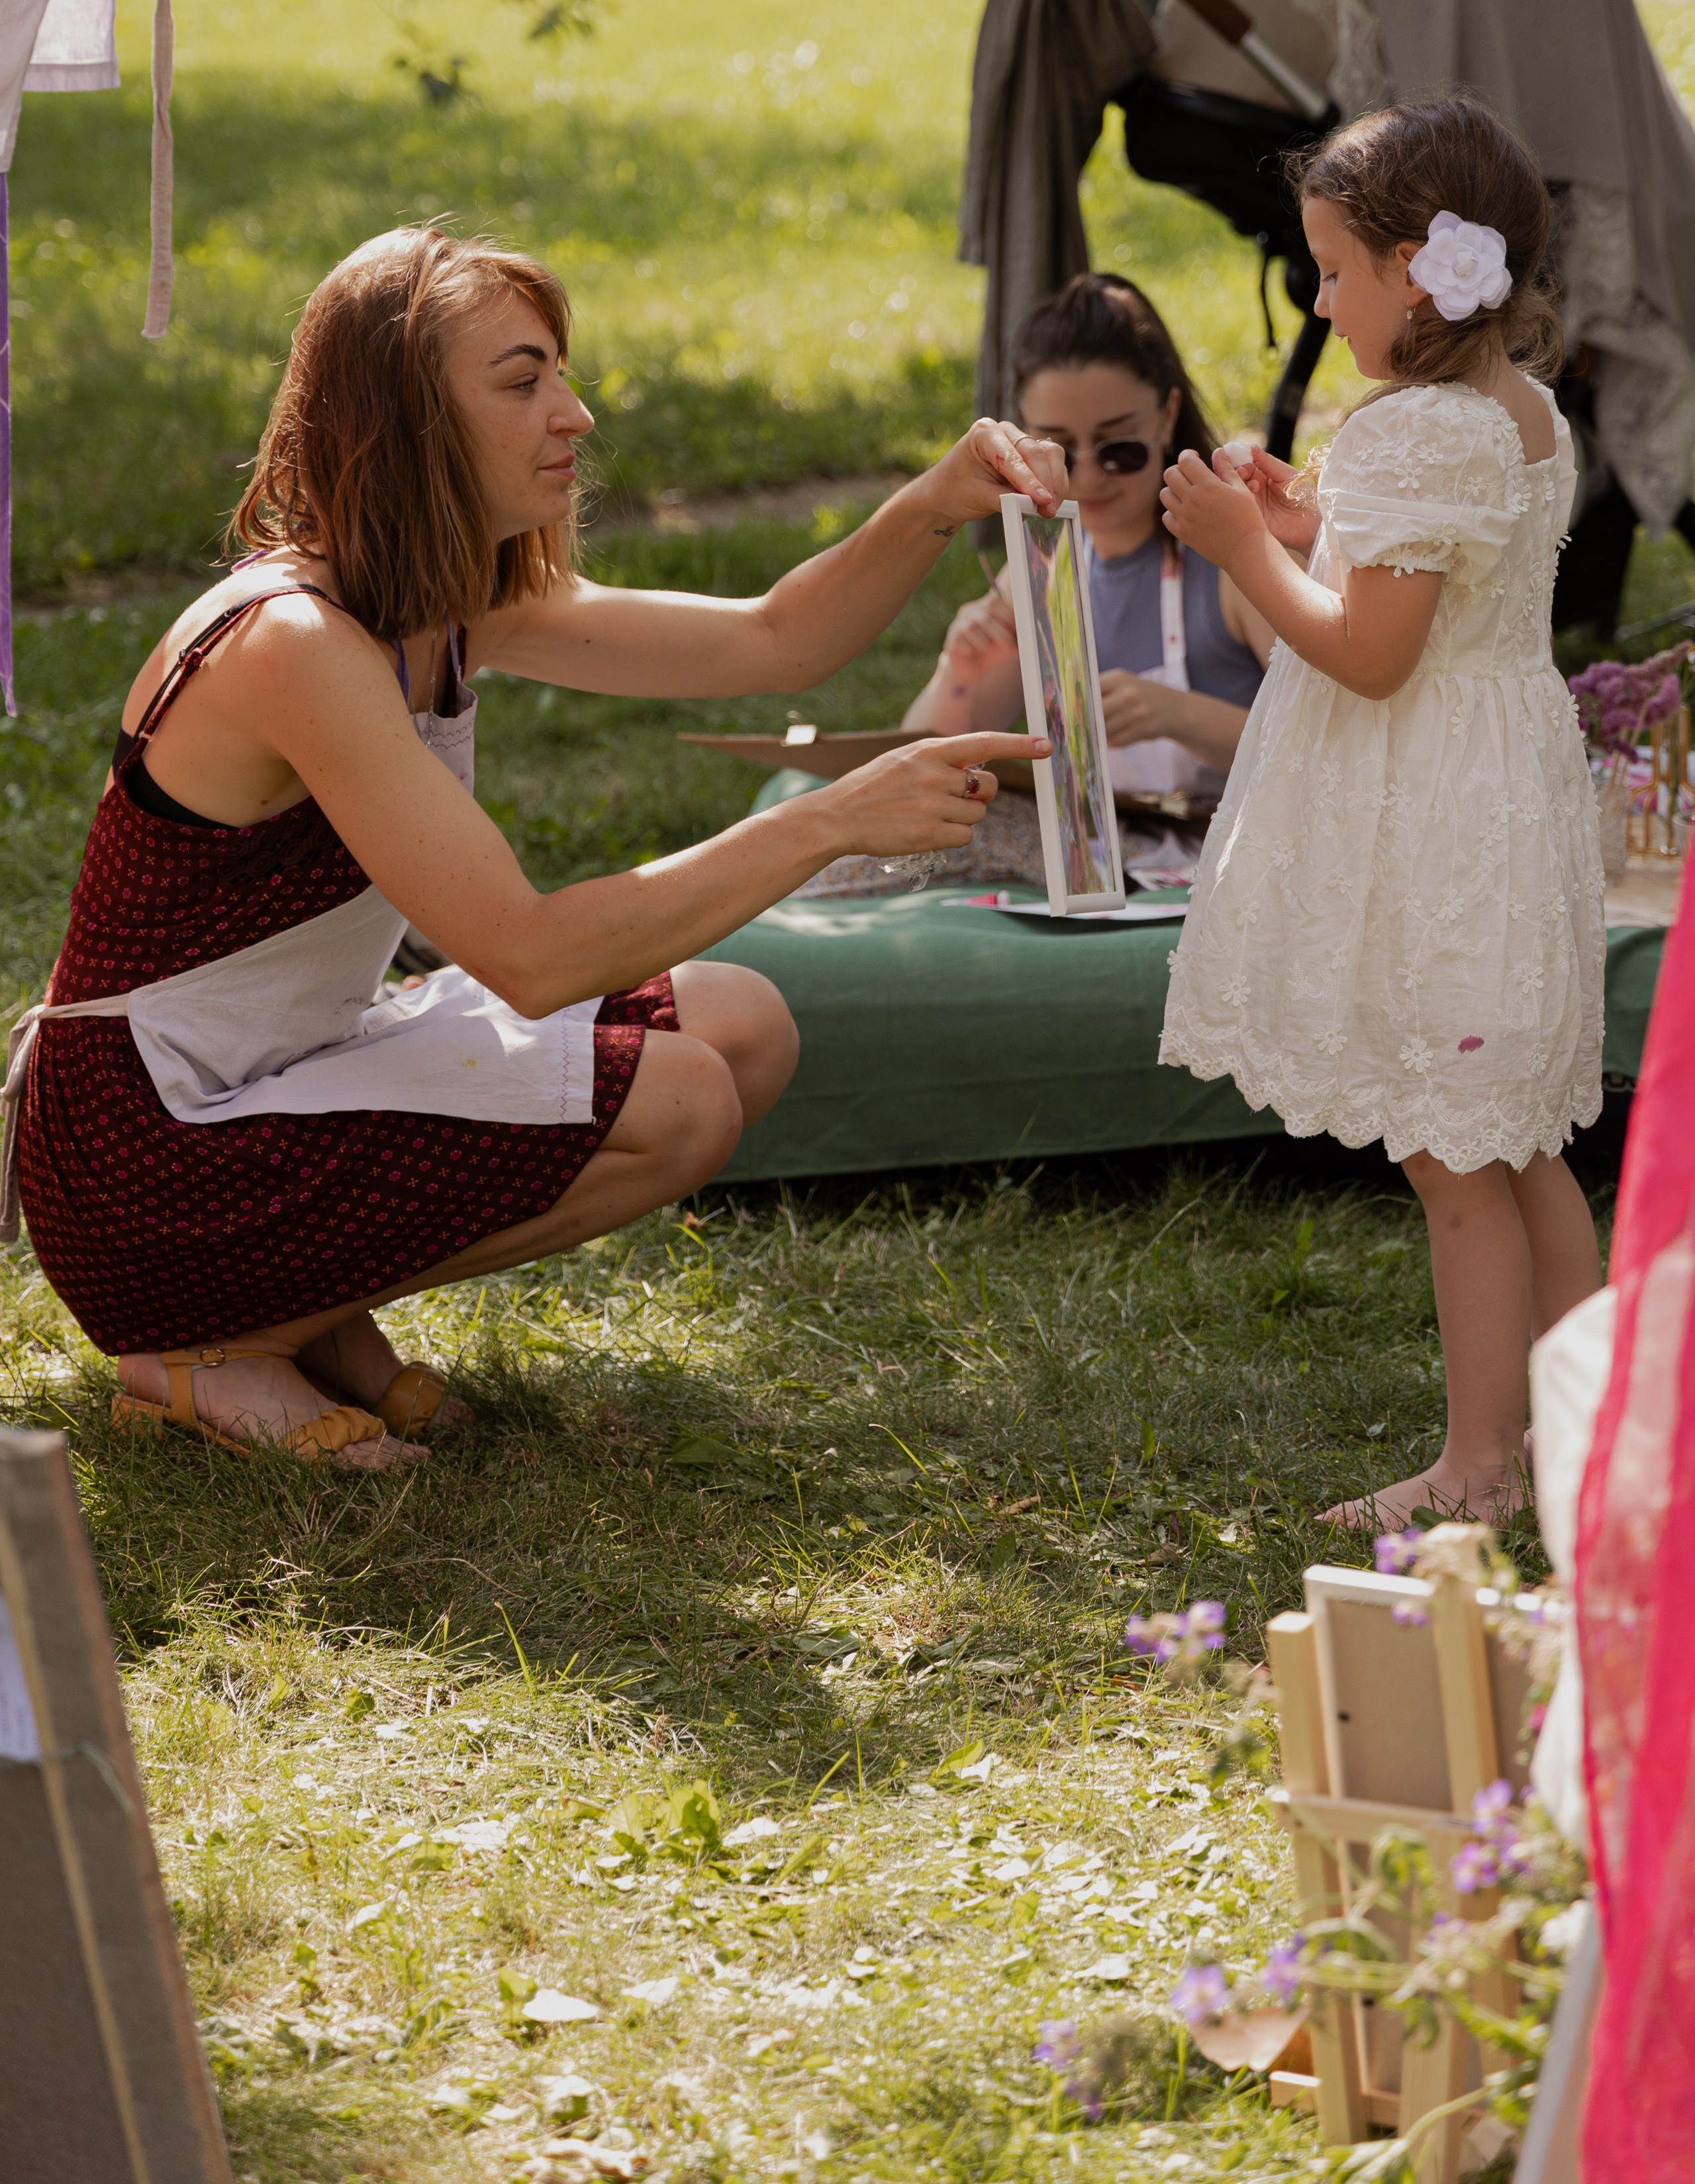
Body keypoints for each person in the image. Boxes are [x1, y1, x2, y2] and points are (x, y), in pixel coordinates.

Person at [7, 227, 1057, 1468]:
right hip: (148, 1155)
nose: (575, 412)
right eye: (521, 382)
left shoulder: (447, 604)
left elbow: (775, 642)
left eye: (559, 371)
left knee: (741, 1025)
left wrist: (932, 500)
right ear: (404, 423)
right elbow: (529, 954)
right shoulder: (290, 641)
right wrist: (827, 818)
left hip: (274, 1079)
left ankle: (296, 1318)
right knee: (678, 1101)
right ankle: (207, 1344)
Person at [1157, 97, 1606, 1528]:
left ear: (1419, 269)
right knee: (1513, 1131)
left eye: (1335, 271)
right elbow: (1422, 574)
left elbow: (1365, 649)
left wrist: (1237, 545)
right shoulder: (1514, 411)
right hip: (1497, 789)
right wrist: (1307, 520)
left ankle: (1474, 1461)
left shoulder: (1418, 430)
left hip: (1432, 814)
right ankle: (1588, 1425)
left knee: (1451, 1152)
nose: (1318, 298)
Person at [900, 273, 1273, 873]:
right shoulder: (1045, 570)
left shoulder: (1233, 557)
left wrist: (1178, 715)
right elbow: (920, 772)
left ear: (1167, 413)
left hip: (1247, 862)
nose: (1092, 477)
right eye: (1060, 452)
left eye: (1117, 448)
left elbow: (1340, 746)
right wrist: (959, 673)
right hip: (1105, 872)